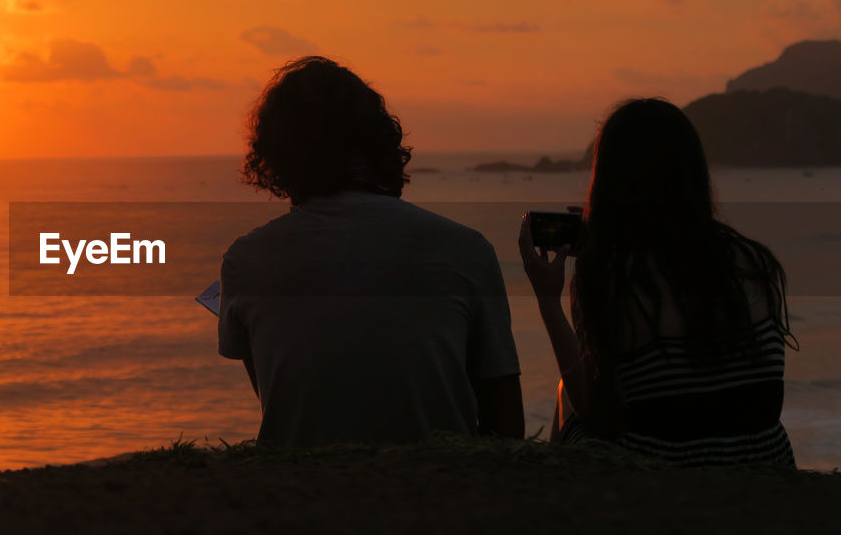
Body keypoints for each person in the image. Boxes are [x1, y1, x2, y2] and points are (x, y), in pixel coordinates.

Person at [218, 56, 524, 446]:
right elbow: (506, 427)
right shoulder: (466, 249)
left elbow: (286, 403)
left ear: (275, 158)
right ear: (379, 142)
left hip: (304, 498)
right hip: (440, 494)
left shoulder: (246, 261)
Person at [519, 97, 795, 466]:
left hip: (670, 470)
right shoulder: (756, 262)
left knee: (567, 394)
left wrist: (550, 300)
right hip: (767, 460)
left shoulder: (612, 276)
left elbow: (597, 413)